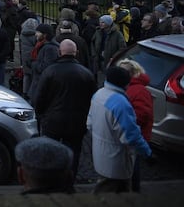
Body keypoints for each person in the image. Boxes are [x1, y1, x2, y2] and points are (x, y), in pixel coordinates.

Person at [31, 39, 96, 176]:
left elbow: (39, 97)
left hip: (53, 119)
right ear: (76, 53)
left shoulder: (50, 71)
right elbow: (92, 100)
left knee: (50, 151)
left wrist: (41, 114)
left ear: (59, 52)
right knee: (74, 152)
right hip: (77, 120)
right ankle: (69, 179)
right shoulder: (86, 74)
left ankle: (51, 178)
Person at [87, 66, 153, 193]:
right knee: (116, 194)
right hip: (117, 160)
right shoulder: (120, 103)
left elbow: (89, 124)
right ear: (126, 83)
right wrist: (147, 153)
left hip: (100, 156)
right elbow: (131, 136)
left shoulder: (99, 94)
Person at [117, 59, 154, 192]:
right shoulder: (129, 88)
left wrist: (124, 121)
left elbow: (142, 115)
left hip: (136, 136)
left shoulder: (138, 90)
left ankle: (133, 193)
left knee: (133, 167)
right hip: (129, 134)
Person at [92, 15, 127, 86]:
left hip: (110, 60)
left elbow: (122, 48)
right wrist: (94, 54)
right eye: (100, 22)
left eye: (103, 22)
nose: (100, 24)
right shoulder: (98, 32)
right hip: (98, 59)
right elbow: (92, 42)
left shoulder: (117, 34)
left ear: (108, 23)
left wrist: (114, 57)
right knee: (99, 77)